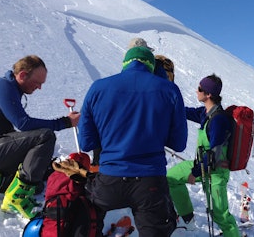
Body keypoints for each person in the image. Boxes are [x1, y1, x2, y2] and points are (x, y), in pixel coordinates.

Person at [78, 46, 188, 236]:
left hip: (108, 184)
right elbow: (179, 144)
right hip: (151, 185)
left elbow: (86, 143)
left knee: (89, 210)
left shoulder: (98, 88)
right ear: (151, 65)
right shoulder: (169, 89)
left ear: (125, 64)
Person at [0, 55, 80, 219]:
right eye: (37, 82)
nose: (39, 88)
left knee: (39, 175)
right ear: (22, 75)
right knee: (45, 136)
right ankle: (17, 198)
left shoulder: (11, 88)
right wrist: (64, 122)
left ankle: (7, 181)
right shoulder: (3, 86)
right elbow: (23, 123)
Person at [167, 74, 240, 237]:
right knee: (171, 177)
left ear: (208, 94)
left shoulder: (219, 120)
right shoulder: (205, 113)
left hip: (215, 172)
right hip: (202, 165)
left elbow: (215, 152)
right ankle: (188, 218)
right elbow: (186, 112)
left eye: (200, 89)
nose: (196, 91)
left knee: (220, 216)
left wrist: (195, 173)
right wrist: (168, 107)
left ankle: (232, 234)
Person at [91, 37, 175, 168]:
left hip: (113, 160)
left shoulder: (106, 84)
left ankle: (98, 165)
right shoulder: (158, 70)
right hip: (149, 163)